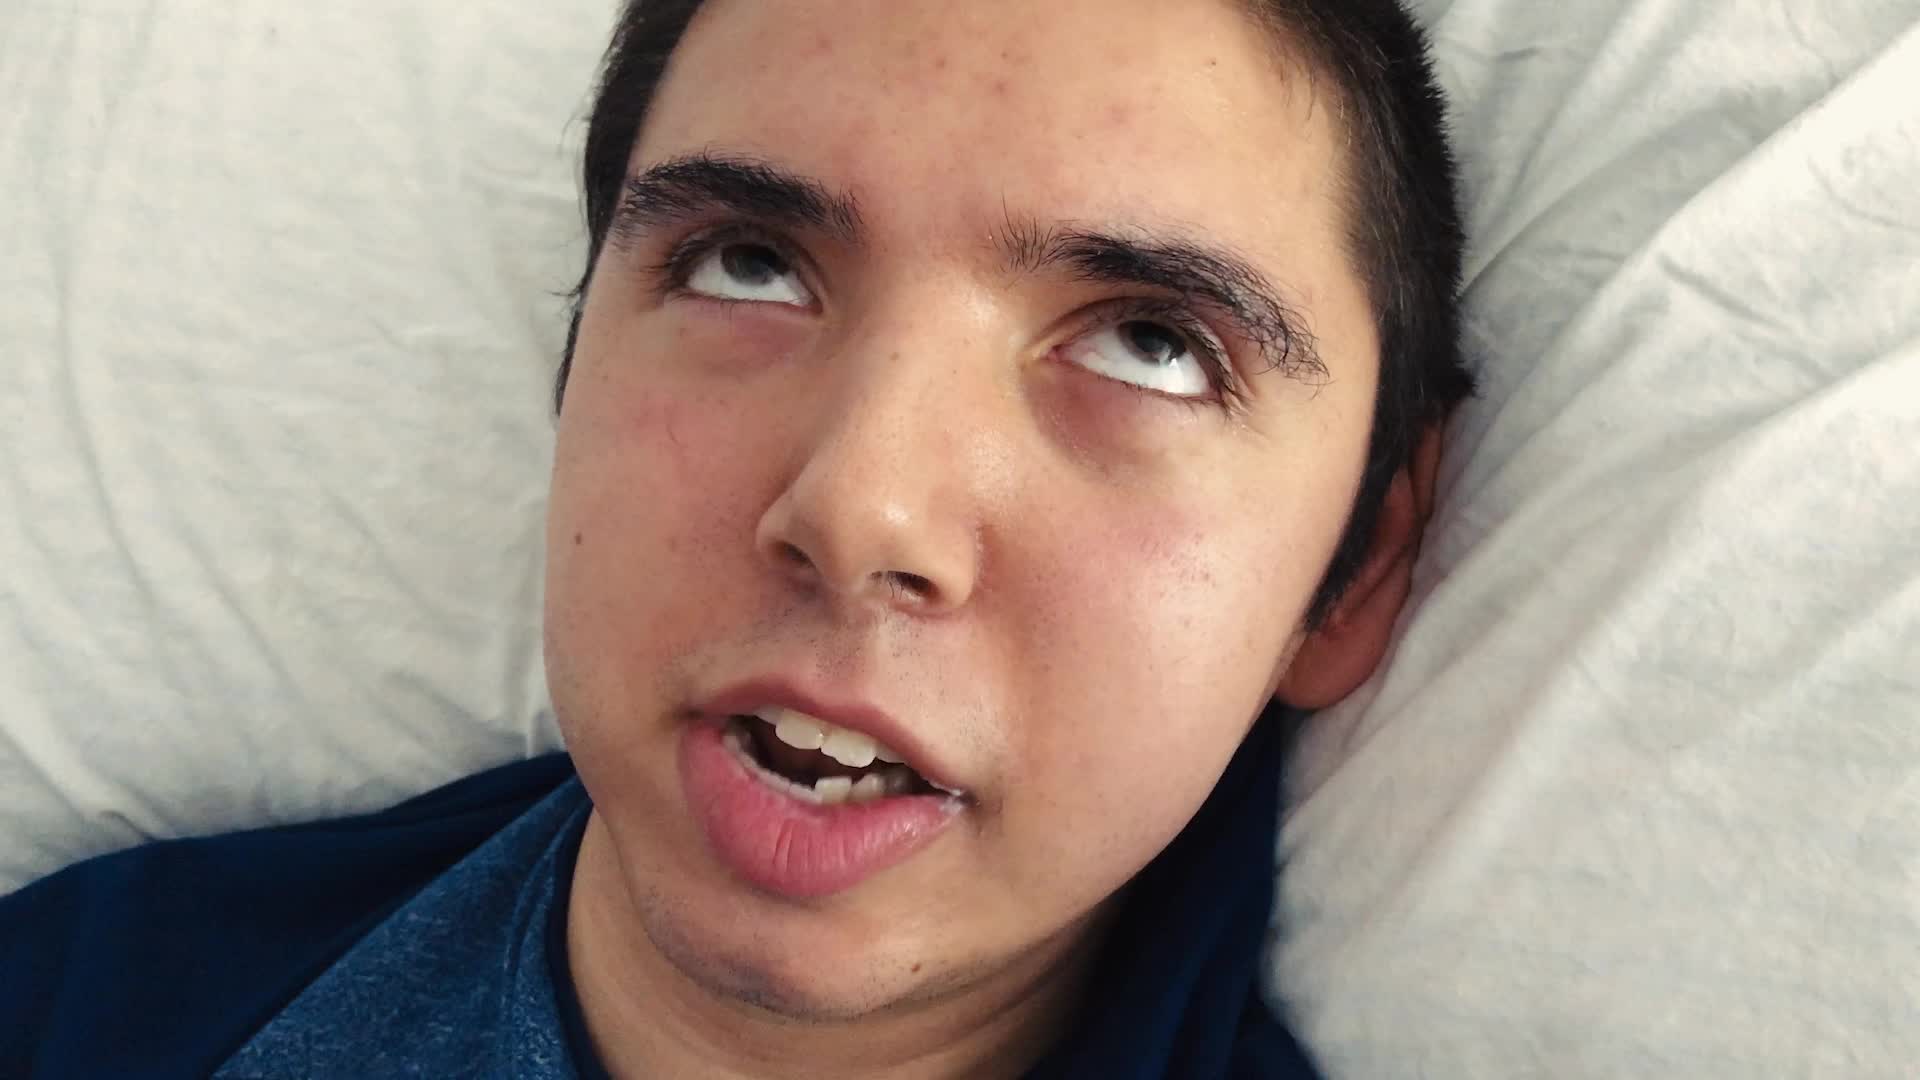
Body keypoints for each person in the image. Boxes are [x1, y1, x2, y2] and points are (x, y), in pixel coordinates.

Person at [1, 0, 1470, 1076]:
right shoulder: (74, 1009)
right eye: (750, 265)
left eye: (1150, 346)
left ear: (1353, 571)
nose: (860, 506)